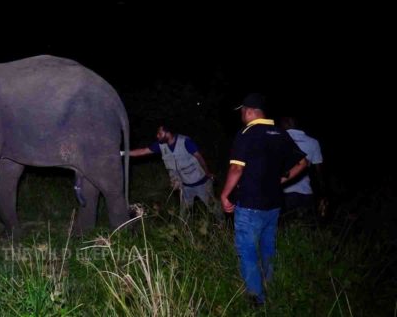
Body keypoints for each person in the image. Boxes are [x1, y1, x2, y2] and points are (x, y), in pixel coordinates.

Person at [219, 93, 308, 306]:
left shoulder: (246, 133)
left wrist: (224, 194)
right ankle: (271, 284)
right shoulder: (279, 133)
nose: (241, 116)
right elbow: (303, 162)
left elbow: (236, 168)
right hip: (274, 204)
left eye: (242, 112)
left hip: (250, 204)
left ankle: (256, 298)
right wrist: (279, 180)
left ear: (248, 111)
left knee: (247, 249)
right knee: (268, 246)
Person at [129, 124, 223, 220]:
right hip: (185, 186)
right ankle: (185, 231)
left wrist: (207, 173)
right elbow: (143, 151)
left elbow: (199, 157)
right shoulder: (161, 145)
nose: (157, 136)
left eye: (159, 133)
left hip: (201, 183)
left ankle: (223, 226)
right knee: (184, 214)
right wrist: (124, 153)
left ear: (168, 133)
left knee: (214, 207)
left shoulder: (185, 142)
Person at [279, 116, 325, 221]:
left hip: (284, 192)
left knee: (285, 228)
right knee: (304, 227)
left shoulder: (279, 140)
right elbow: (319, 173)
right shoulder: (313, 142)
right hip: (306, 192)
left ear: (285, 123)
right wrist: (323, 194)